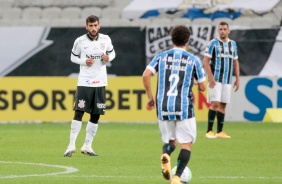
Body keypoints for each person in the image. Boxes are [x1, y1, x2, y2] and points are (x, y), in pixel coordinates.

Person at [142, 25, 206, 184]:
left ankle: (166, 155)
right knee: (186, 144)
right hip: (184, 108)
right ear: (188, 40)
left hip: (163, 107)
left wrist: (151, 97)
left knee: (171, 142)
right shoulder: (193, 59)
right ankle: (177, 178)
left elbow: (146, 75)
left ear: (172, 39)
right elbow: (203, 87)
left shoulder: (161, 56)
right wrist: (195, 82)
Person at [64, 15, 116, 157]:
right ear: (86, 26)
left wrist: (108, 58)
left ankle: (87, 145)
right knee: (79, 112)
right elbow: (72, 57)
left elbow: (112, 53)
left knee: (96, 114)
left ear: (99, 26)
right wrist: (84, 61)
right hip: (85, 82)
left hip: (100, 82)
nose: (93, 28)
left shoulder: (106, 39)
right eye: (90, 26)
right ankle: (71, 145)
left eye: (95, 25)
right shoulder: (80, 41)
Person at [203, 21, 240, 139]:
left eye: (225, 29)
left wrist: (237, 78)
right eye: (221, 29)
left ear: (228, 31)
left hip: (227, 80)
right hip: (216, 79)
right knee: (214, 104)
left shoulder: (233, 44)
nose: (223, 31)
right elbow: (206, 61)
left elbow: (235, 62)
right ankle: (209, 131)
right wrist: (211, 77)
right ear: (218, 31)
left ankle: (219, 132)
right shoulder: (213, 43)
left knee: (223, 105)